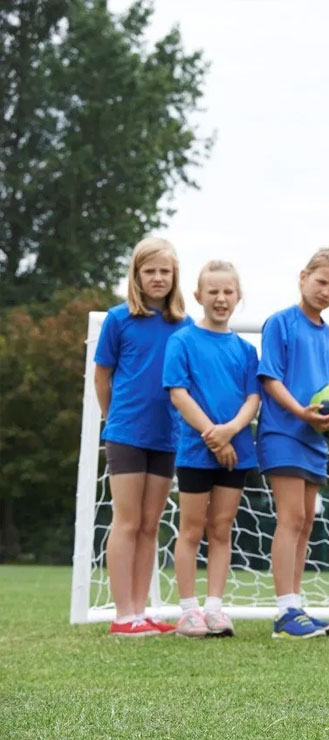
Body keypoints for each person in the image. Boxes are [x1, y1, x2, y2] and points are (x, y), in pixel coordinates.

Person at [94, 237, 194, 637]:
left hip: (167, 436)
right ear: (136, 276)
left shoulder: (185, 326)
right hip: (126, 434)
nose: (157, 278)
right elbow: (102, 376)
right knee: (127, 521)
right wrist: (113, 420)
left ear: (174, 277)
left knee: (151, 525)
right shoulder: (118, 320)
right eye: (149, 271)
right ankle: (123, 615)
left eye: (164, 271)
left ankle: (140, 610)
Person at [163, 261, 260, 638]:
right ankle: (189, 612)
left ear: (238, 296)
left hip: (237, 450)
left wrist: (230, 431)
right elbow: (179, 394)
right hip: (195, 451)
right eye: (213, 291)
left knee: (221, 528)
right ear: (198, 296)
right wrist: (212, 435)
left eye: (228, 292)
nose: (221, 298)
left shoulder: (246, 350)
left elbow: (253, 399)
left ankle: (215, 609)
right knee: (191, 529)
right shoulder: (182, 341)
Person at [257, 247, 329, 639]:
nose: (326, 291)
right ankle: (284, 612)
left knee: (307, 522)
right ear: (303, 277)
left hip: (315, 440)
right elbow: (269, 378)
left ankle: (295, 605)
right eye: (321, 281)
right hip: (283, 433)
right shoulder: (279, 323)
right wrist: (300, 412)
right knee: (291, 518)